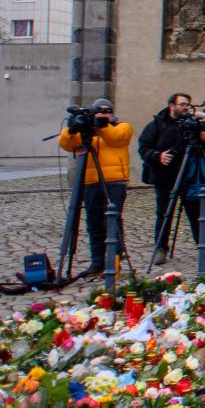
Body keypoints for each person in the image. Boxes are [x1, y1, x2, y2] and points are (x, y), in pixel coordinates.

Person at [57, 98, 133, 277]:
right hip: (90, 181)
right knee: (93, 223)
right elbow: (66, 144)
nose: (104, 114)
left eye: (107, 111)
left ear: (112, 113)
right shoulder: (88, 131)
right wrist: (73, 128)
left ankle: (114, 260)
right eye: (100, 111)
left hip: (115, 181)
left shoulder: (122, 127)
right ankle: (97, 262)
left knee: (111, 220)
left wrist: (101, 125)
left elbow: (116, 138)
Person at [138, 92, 205, 264]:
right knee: (164, 213)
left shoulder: (193, 125)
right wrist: (158, 156)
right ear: (171, 106)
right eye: (182, 104)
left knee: (195, 213)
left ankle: (204, 245)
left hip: (189, 176)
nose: (185, 107)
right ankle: (160, 248)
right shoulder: (157, 125)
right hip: (165, 177)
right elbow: (144, 149)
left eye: (187, 104)